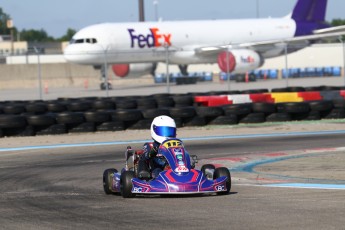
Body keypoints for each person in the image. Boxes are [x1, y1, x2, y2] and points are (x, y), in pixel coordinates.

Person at [137, 115, 177, 180]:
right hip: (155, 170)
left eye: (170, 132)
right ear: (154, 130)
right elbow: (144, 157)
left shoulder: (175, 146)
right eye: (163, 131)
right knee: (158, 171)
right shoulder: (149, 145)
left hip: (174, 169)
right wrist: (151, 153)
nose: (167, 135)